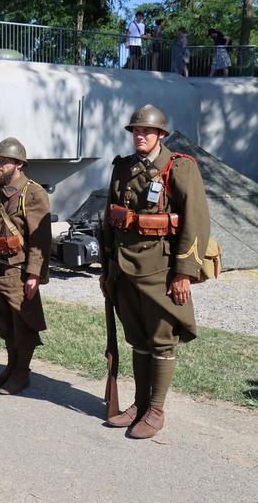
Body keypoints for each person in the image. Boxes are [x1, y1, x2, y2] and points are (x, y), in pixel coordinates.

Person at [100, 104, 210, 439]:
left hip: (161, 271)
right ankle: (138, 404)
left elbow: (196, 222)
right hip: (125, 268)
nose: (140, 136)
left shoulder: (179, 168)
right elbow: (110, 221)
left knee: (162, 341)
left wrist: (184, 273)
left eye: (146, 131)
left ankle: (156, 410)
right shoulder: (122, 168)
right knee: (137, 338)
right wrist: (107, 269)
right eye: (135, 131)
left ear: (161, 135)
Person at [0, 138, 51, 394]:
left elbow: (40, 239)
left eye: (4, 161)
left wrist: (35, 274)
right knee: (5, 324)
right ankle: (11, 367)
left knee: (23, 324)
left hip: (18, 271)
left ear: (18, 164)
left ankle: (22, 372)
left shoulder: (33, 193)